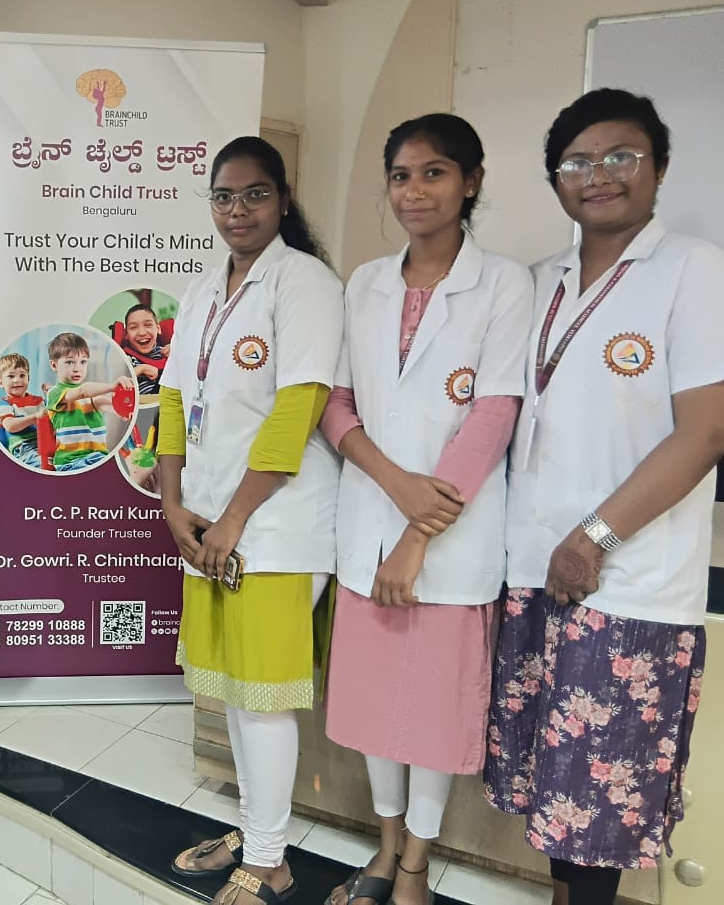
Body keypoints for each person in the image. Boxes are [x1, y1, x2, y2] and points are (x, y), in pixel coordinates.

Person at [483, 88, 724, 905]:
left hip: (626, 584)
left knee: (600, 806)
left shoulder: (694, 269)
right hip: (533, 571)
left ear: (660, 166)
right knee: (553, 792)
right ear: (556, 179)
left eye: (622, 156)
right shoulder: (540, 280)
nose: (599, 175)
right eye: (577, 162)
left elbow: (705, 432)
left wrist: (593, 539)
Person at [318, 115, 532, 905]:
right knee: (375, 707)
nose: (414, 190)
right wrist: (394, 482)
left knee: (435, 717)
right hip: (370, 520)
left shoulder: (505, 284)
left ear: (470, 182)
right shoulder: (365, 283)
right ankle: (383, 850)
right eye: (401, 175)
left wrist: (415, 533)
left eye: (435, 172)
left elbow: (494, 416)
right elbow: (335, 403)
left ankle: (415, 865)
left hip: (447, 538)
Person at [159, 136, 344, 905]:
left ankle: (270, 860)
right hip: (208, 518)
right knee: (235, 691)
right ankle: (255, 828)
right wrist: (172, 504)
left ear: (283, 200)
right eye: (224, 196)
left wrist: (233, 518)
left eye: (255, 194)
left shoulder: (305, 283)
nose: (238, 210)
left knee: (262, 697)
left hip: (275, 525)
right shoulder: (204, 289)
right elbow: (174, 399)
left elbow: (299, 408)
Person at [44, 332, 133, 472]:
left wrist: (122, 410)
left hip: (97, 458)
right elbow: (82, 391)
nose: (77, 368)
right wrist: (112, 386)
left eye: (83, 362)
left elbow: (102, 402)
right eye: (70, 362)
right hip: (71, 461)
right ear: (54, 365)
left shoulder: (90, 395)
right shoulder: (55, 393)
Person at [0, 352, 45, 466]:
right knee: (43, 464)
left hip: (46, 443)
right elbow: (10, 426)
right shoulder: (5, 404)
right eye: (11, 376)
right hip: (23, 448)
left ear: (28, 378)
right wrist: (34, 418)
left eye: (22, 375)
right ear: (0, 382)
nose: (17, 380)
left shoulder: (39, 401)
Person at [119, 303, 171, 394]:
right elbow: (115, 382)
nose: (142, 333)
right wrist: (142, 369)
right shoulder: (125, 359)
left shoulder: (169, 352)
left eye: (148, 325)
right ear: (126, 334)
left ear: (158, 329)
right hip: (143, 400)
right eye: (133, 327)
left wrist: (177, 354)